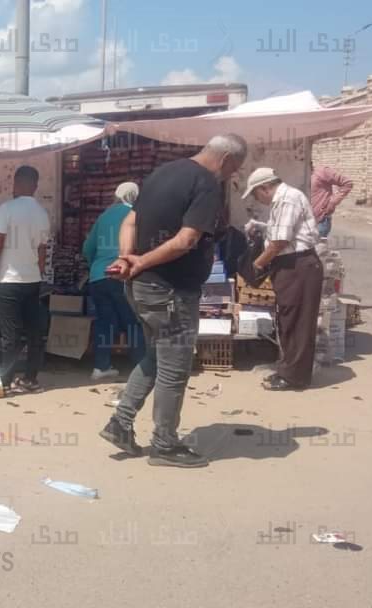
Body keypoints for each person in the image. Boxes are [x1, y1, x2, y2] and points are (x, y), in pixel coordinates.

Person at [100, 134, 248, 468]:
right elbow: (186, 240)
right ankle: (165, 445)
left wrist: (128, 257)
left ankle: (119, 423)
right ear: (226, 160)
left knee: (156, 358)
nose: (230, 176)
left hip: (144, 289)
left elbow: (130, 220)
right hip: (170, 293)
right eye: (234, 169)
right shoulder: (207, 184)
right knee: (174, 370)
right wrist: (140, 261)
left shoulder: (162, 173)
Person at [245, 167, 323, 391]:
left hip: (299, 265)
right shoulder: (283, 200)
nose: (256, 199)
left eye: (255, 194)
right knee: (288, 319)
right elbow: (279, 231)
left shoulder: (288, 199)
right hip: (290, 265)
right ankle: (287, 369)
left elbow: (280, 241)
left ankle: (295, 377)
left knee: (298, 322)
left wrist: (257, 264)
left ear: (264, 188)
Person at [0, 166, 50, 395]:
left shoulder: (7, 209)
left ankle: (6, 380)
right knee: (34, 333)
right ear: (35, 186)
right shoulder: (42, 213)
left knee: (11, 336)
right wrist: (37, 273)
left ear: (17, 184)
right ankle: (30, 379)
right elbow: (42, 250)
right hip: (31, 281)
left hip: (8, 281)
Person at [83, 181, 146, 381]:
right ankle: (140, 368)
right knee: (132, 321)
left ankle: (101, 367)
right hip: (123, 275)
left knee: (105, 322)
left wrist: (97, 266)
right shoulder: (137, 214)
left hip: (98, 277)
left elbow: (87, 248)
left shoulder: (103, 216)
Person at [310, 165, 353, 238]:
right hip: (304, 224)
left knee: (318, 248)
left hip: (320, 221)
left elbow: (347, 183)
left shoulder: (322, 172)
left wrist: (332, 202)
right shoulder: (299, 175)